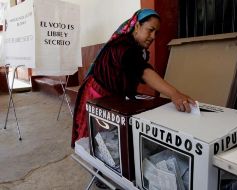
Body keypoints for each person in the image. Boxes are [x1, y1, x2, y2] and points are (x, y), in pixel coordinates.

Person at [71, 8, 196, 147]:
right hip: (97, 95)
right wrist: (174, 93)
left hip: (112, 97)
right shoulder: (122, 47)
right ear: (137, 26)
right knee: (95, 139)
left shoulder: (135, 48)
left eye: (156, 32)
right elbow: (143, 71)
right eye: (150, 30)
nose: (153, 36)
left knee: (110, 139)